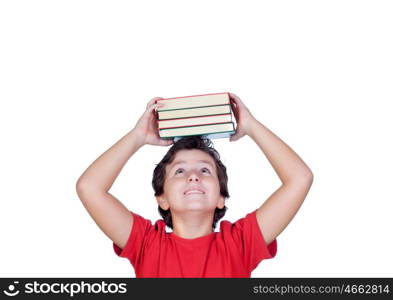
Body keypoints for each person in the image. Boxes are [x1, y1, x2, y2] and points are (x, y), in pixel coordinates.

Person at [76, 93, 314, 277]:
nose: (193, 176)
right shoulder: (146, 244)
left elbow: (300, 179)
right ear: (163, 199)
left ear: (221, 197)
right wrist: (137, 136)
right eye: (180, 171)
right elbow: (89, 187)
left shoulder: (240, 244)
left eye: (204, 170)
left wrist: (251, 126)